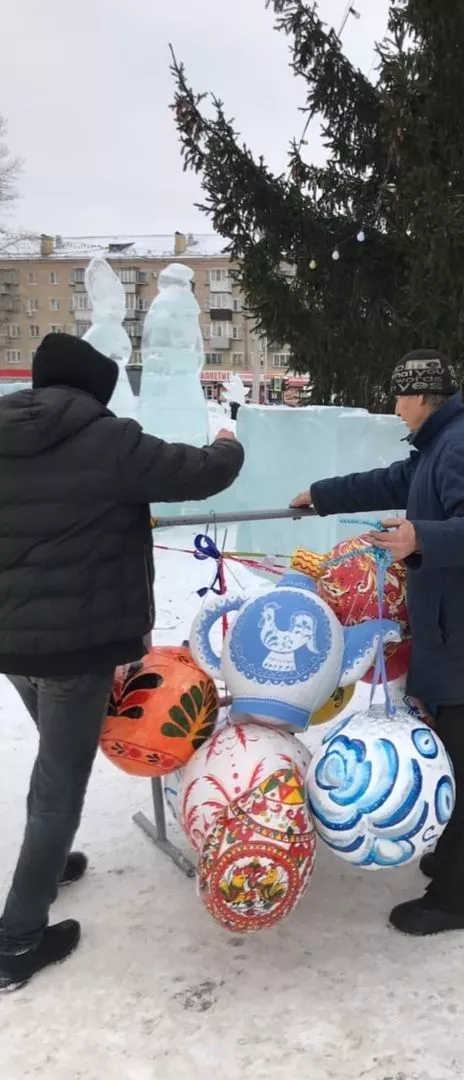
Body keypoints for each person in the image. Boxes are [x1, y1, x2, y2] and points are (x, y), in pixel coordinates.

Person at [0, 334, 244, 992]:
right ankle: (17, 940)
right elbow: (203, 472)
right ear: (92, 389)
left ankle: (43, 871)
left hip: (12, 641)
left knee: (53, 763)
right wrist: (229, 439)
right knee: (58, 789)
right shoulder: (108, 440)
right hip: (77, 645)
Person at [290, 349, 464, 936]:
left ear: (423, 397)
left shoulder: (461, 447)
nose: (395, 408)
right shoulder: (438, 449)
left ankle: (456, 899)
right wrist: (322, 495)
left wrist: (421, 536)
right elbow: (391, 481)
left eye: (399, 397)